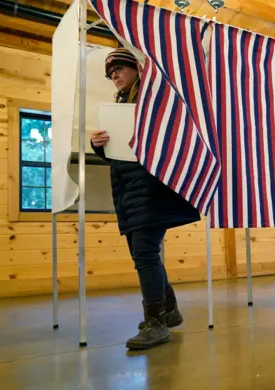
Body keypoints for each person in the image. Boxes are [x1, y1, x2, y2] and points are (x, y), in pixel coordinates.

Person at [90, 48, 201, 350]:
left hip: (151, 191)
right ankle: (170, 310)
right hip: (129, 191)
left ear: (136, 69)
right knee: (142, 252)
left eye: (120, 68)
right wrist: (98, 145)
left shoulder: (153, 100)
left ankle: (156, 323)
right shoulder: (121, 105)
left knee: (145, 253)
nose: (114, 75)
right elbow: (120, 154)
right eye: (110, 72)